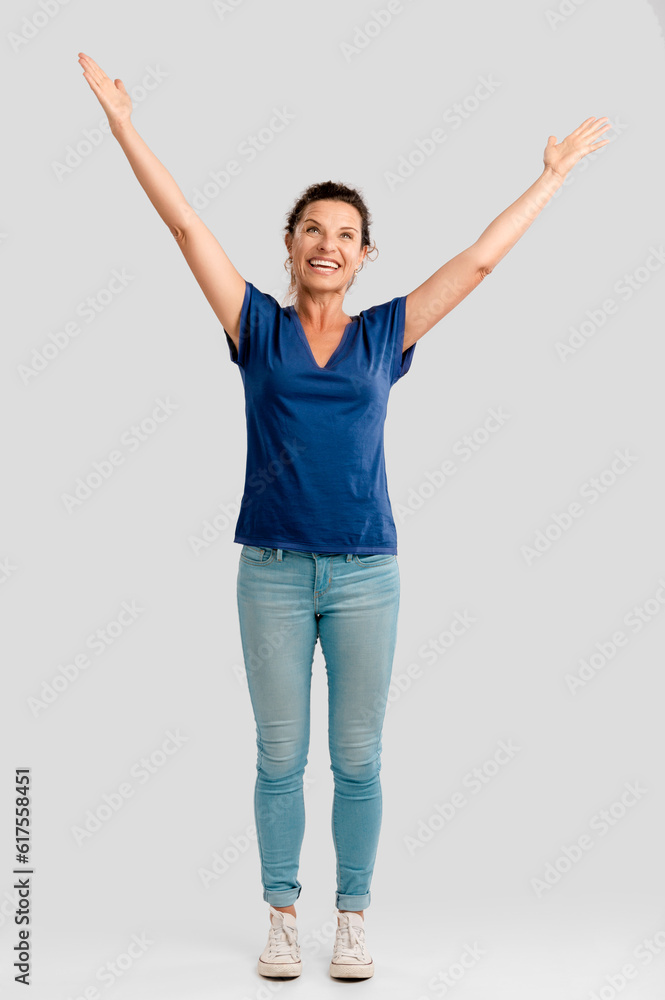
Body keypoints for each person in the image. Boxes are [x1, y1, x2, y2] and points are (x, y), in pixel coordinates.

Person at [77, 51, 611, 981]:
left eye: (347, 233)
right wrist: (125, 125)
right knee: (280, 757)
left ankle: (352, 917)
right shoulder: (256, 326)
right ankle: (282, 918)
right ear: (289, 246)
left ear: (365, 256)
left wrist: (551, 177)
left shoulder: (382, 334)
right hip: (273, 572)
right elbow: (182, 224)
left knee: (357, 759)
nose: (328, 243)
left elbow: (480, 262)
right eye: (312, 229)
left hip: (367, 571)